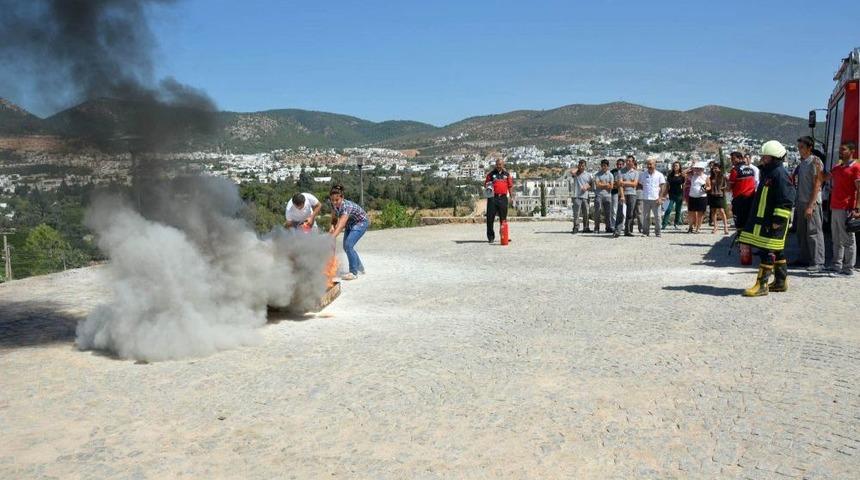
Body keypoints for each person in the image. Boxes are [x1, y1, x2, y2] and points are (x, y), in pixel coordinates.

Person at [739, 141, 795, 296]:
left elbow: (786, 199)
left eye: (766, 156)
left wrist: (778, 220)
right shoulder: (769, 172)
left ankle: (761, 286)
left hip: (774, 222)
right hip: (765, 220)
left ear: (774, 157)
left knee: (768, 251)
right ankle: (780, 282)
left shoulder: (780, 174)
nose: (763, 159)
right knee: (777, 251)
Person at [792, 136, 826, 272]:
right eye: (798, 147)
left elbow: (817, 184)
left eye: (801, 147)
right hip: (801, 201)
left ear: (809, 148)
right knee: (802, 232)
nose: (799, 150)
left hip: (812, 202)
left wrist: (811, 206)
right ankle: (804, 258)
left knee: (814, 232)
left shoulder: (815, 162)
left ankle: (818, 261)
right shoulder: (803, 163)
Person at [826, 142, 860, 276]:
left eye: (843, 150)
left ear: (852, 151)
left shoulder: (856, 168)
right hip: (835, 206)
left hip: (846, 207)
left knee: (848, 238)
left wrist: (857, 208)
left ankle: (848, 269)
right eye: (840, 149)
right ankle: (836, 264)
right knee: (836, 238)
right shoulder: (838, 167)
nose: (840, 152)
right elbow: (825, 177)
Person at [328, 184, 370, 281]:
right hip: (350, 224)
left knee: (348, 245)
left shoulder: (346, 206)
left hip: (361, 222)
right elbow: (334, 217)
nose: (334, 202)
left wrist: (332, 237)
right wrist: (331, 226)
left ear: (342, 198)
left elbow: (341, 225)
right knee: (346, 246)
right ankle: (360, 268)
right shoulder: (333, 204)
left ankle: (353, 272)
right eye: (332, 200)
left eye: (337, 200)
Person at [484, 158, 514, 244]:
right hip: (493, 198)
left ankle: (504, 236)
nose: (498, 166)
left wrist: (511, 197)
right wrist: (488, 190)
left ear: (503, 165)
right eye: (497, 164)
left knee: (503, 219)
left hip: (503, 198)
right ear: (495, 165)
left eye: (500, 164)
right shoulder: (490, 174)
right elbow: (486, 185)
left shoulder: (507, 175)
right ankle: (491, 237)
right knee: (490, 218)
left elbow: (510, 186)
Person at [728, 151, 756, 231]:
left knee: (739, 221)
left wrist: (726, 183)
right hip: (751, 198)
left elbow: (729, 187)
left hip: (739, 199)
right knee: (749, 219)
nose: (732, 161)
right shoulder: (751, 169)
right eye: (731, 159)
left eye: (733, 159)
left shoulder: (735, 170)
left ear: (740, 158)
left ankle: (740, 238)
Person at [638, 157, 667, 237]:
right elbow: (640, 185)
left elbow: (662, 187)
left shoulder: (659, 175)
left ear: (655, 165)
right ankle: (645, 232)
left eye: (651, 164)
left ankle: (658, 232)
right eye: (648, 164)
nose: (649, 166)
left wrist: (660, 197)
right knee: (646, 217)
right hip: (646, 198)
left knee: (657, 217)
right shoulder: (643, 174)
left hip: (656, 199)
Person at [617, 156, 639, 237]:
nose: (628, 162)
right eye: (627, 161)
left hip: (632, 194)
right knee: (620, 213)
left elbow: (635, 184)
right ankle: (617, 231)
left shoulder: (636, 173)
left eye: (630, 161)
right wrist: (622, 196)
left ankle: (628, 231)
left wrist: (625, 182)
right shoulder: (620, 172)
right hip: (623, 194)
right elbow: (620, 184)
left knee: (630, 213)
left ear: (633, 162)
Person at [705, 163, 729, 235]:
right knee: (713, 211)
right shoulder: (710, 177)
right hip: (712, 195)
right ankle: (715, 226)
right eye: (713, 168)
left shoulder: (723, 177)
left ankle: (725, 227)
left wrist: (723, 188)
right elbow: (708, 186)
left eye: (716, 168)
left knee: (722, 211)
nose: (714, 169)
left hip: (720, 195)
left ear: (719, 169)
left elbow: (727, 185)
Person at [569, 160, 592, 233]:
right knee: (576, 213)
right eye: (580, 165)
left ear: (585, 166)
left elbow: (591, 184)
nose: (582, 167)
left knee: (586, 213)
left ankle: (586, 227)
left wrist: (587, 187)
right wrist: (578, 168)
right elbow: (572, 172)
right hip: (576, 196)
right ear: (578, 166)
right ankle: (576, 227)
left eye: (583, 165)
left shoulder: (588, 175)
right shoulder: (576, 174)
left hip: (585, 196)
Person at [593, 159, 614, 233]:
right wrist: (606, 184)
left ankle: (608, 227)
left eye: (605, 166)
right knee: (597, 212)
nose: (603, 167)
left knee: (608, 213)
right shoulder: (597, 174)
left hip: (608, 196)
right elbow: (597, 185)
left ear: (608, 166)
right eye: (602, 166)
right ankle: (596, 228)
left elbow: (611, 186)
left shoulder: (610, 175)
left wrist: (602, 184)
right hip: (598, 195)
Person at [662, 161, 685, 230]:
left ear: (679, 167)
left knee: (678, 210)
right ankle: (664, 224)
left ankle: (676, 224)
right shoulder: (670, 175)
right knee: (668, 209)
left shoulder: (682, 176)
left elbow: (684, 186)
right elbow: (667, 186)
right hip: (671, 194)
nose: (675, 167)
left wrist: (684, 196)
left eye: (677, 165)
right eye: (674, 165)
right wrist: (664, 195)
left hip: (679, 194)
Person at [686, 163, 708, 233]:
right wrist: (692, 167)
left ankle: (698, 228)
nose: (698, 170)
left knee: (700, 213)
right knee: (690, 213)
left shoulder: (706, 177)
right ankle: (690, 227)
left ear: (703, 169)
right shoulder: (692, 175)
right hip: (692, 196)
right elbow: (683, 173)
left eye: (700, 168)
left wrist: (705, 189)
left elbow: (709, 186)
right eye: (697, 168)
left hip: (702, 197)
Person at [610, 158, 624, 230]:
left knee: (623, 210)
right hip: (614, 192)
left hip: (623, 193)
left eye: (621, 164)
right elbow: (611, 182)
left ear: (623, 165)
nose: (619, 166)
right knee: (614, 209)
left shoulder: (625, 172)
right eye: (618, 164)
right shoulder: (612, 172)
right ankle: (613, 225)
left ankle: (622, 225)